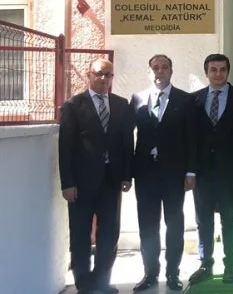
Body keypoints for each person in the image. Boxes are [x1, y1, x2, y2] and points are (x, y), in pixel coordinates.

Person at [58, 58, 134, 294]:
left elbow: (127, 142)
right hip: (81, 184)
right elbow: (65, 147)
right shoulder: (73, 105)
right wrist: (67, 183)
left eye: (108, 75)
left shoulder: (121, 104)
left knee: (109, 234)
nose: (103, 78)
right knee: (80, 234)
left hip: (112, 181)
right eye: (99, 73)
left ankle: (102, 281)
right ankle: (84, 284)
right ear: (88, 75)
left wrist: (127, 175)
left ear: (112, 78)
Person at [131, 54, 196, 292]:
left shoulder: (186, 100)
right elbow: (126, 136)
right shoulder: (137, 99)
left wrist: (191, 171)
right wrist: (126, 172)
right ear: (149, 72)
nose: (160, 71)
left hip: (173, 173)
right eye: (155, 68)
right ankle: (150, 273)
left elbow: (192, 138)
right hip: (145, 173)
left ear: (171, 71)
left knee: (174, 224)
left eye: (164, 67)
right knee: (147, 225)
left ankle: (173, 273)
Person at [189, 54, 233, 285]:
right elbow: (190, 137)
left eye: (222, 69)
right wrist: (189, 170)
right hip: (202, 170)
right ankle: (206, 263)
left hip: (228, 169)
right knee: (203, 219)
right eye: (213, 69)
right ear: (206, 72)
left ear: (228, 71)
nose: (218, 73)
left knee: (230, 218)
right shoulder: (194, 99)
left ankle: (230, 264)